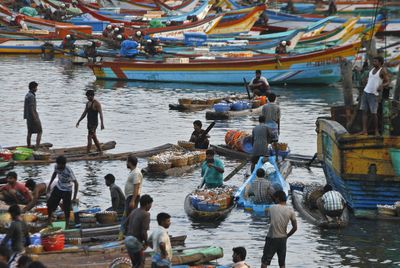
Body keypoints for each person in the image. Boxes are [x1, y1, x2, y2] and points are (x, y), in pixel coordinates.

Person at [261, 190, 297, 268]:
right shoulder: (291, 210)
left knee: (265, 262)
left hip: (272, 238)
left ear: (277, 198)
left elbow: (269, 220)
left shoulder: (271, 208)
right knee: (282, 263)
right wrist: (287, 236)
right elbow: (295, 228)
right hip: (283, 239)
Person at [359, 56, 389, 135]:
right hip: (365, 92)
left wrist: (382, 86)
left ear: (380, 62)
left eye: (375, 61)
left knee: (374, 113)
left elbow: (387, 82)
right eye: (373, 61)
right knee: (364, 112)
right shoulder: (372, 70)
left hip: (374, 94)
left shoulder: (382, 71)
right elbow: (370, 79)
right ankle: (364, 130)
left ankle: (376, 131)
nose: (373, 63)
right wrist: (366, 81)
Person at [47, 156, 79, 228]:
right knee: (50, 203)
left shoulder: (68, 170)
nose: (59, 166)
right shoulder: (56, 166)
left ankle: (67, 224)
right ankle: (49, 220)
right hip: (58, 187)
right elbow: (54, 174)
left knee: (66, 208)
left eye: (60, 165)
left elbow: (76, 183)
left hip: (67, 190)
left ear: (64, 164)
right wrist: (49, 185)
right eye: (58, 164)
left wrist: (74, 198)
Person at [124, 195, 153, 268]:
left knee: (135, 264)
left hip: (127, 240)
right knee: (141, 263)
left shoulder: (134, 211)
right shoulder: (146, 214)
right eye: (150, 204)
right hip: (134, 241)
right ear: (147, 204)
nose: (150, 206)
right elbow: (144, 232)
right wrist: (146, 243)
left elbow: (125, 224)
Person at [76, 90, 105, 155]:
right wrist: (79, 121)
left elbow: (100, 114)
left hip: (94, 123)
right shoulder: (88, 103)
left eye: (88, 97)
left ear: (92, 96)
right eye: (87, 97)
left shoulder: (97, 103)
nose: (87, 98)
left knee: (89, 137)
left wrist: (102, 124)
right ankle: (100, 151)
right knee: (94, 137)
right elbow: (84, 113)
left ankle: (87, 152)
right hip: (89, 123)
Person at [24, 81, 42, 149]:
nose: (37, 89)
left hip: (28, 117)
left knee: (30, 132)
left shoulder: (27, 95)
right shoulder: (31, 96)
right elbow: (31, 108)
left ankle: (29, 145)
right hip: (33, 116)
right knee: (40, 131)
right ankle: (37, 147)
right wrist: (35, 118)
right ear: (33, 88)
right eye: (36, 87)